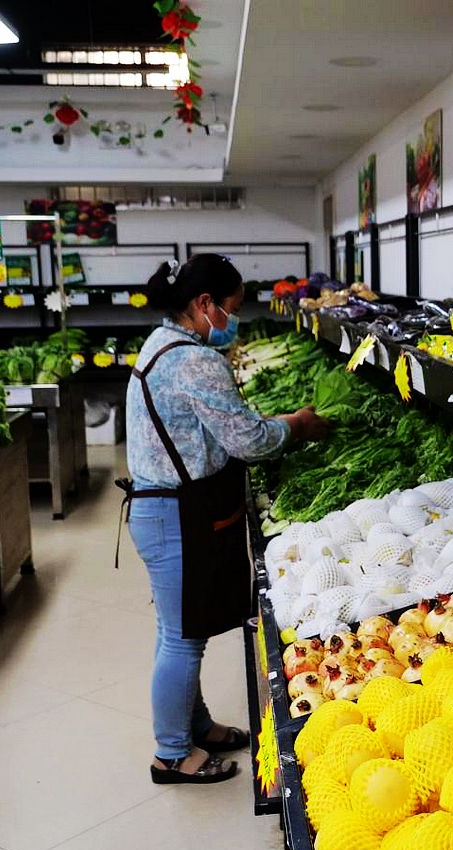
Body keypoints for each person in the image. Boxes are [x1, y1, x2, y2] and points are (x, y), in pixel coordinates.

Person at [120, 253, 330, 785]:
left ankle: (197, 726)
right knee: (182, 638)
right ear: (205, 303)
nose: (233, 321)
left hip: (161, 507)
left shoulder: (159, 343)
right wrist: (296, 426)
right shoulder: (196, 361)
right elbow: (249, 441)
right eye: (231, 309)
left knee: (179, 628)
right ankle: (172, 754)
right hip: (177, 513)